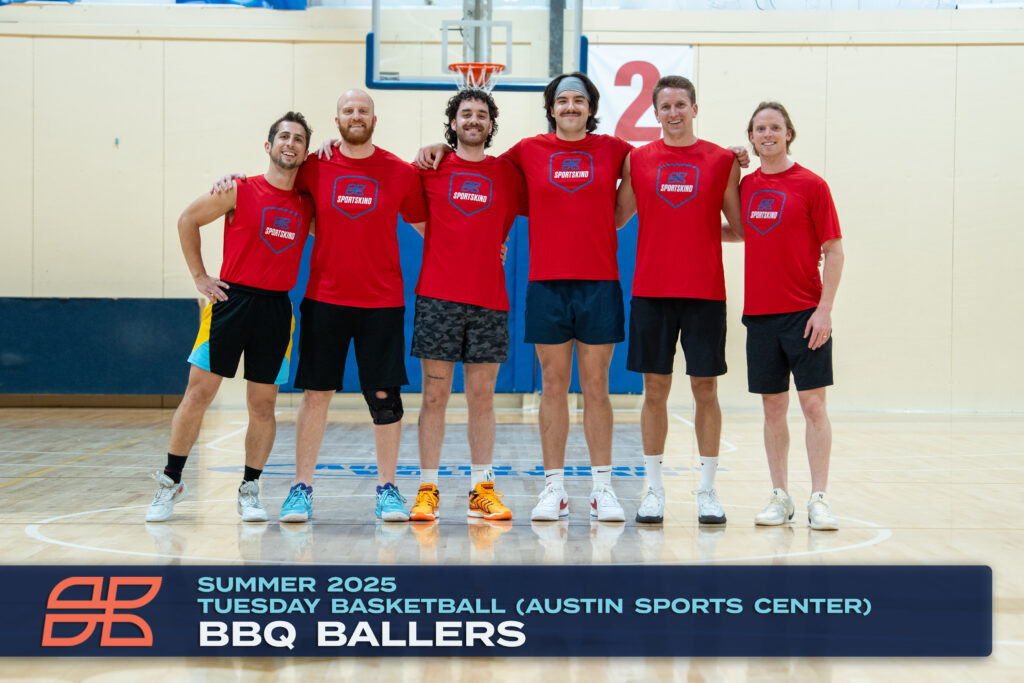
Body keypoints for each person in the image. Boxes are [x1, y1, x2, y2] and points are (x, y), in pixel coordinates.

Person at [419, 72, 633, 522]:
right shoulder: (527, 152)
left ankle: (602, 489)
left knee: (596, 386)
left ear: (591, 108)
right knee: (552, 386)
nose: (570, 107)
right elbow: (475, 164)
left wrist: (730, 155)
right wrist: (437, 147)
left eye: (578, 100)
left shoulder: (615, 150)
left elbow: (653, 168)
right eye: (562, 100)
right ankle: (554, 488)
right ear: (551, 109)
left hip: (600, 282)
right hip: (546, 283)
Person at [266, 90, 427, 524]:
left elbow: (428, 226)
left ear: (375, 119)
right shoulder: (314, 166)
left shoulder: (399, 172)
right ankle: (301, 488)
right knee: (316, 395)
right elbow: (275, 188)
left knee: (385, 398)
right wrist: (232, 182)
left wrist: (483, 248)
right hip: (325, 299)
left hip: (382, 302)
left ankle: (388, 490)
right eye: (348, 111)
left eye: (363, 111)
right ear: (337, 119)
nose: (356, 116)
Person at [145, 112, 314, 523]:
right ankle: (171, 481)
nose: (290, 143)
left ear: (305, 152)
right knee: (198, 395)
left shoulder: (307, 204)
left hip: (276, 309)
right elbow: (188, 219)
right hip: (230, 301)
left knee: (263, 404)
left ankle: (250, 489)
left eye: (299, 139)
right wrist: (199, 277)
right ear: (269, 146)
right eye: (284, 137)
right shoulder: (238, 189)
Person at [614, 75, 743, 526]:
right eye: (665, 106)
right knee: (654, 390)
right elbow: (615, 218)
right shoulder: (637, 160)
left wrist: (700, 233)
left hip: (705, 292)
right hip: (651, 292)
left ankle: (707, 490)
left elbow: (741, 228)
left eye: (681, 104)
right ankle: (653, 490)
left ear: (695, 108)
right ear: (655, 113)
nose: (673, 112)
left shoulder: (722, 160)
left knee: (705, 389)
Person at [408, 89, 526, 523]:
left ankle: (482, 489)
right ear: (453, 122)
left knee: (482, 398)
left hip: (489, 301)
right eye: (466, 114)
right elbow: (397, 199)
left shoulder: (508, 174)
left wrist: (490, 244)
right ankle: (427, 490)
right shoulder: (429, 168)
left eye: (481, 114)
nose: (474, 120)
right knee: (434, 396)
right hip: (437, 298)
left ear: (491, 125)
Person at [739, 101, 844, 530]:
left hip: (805, 315)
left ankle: (819, 498)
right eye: (760, 128)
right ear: (751, 137)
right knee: (772, 408)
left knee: (813, 406)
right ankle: (780, 496)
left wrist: (825, 310)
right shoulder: (745, 187)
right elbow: (737, 231)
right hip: (760, 316)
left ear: (788, 134)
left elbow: (833, 250)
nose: (768, 134)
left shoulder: (812, 185)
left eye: (775, 127)